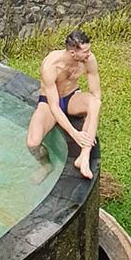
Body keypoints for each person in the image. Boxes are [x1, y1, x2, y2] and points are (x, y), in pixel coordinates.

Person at [25, 28, 101, 179]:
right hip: (49, 103)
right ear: (73, 53)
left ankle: (83, 157)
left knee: (95, 103)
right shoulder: (51, 65)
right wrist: (74, 134)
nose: (89, 54)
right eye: (85, 52)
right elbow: (54, 106)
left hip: (72, 96)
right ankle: (46, 165)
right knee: (32, 143)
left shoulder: (89, 60)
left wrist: (90, 120)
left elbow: (96, 94)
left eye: (89, 50)